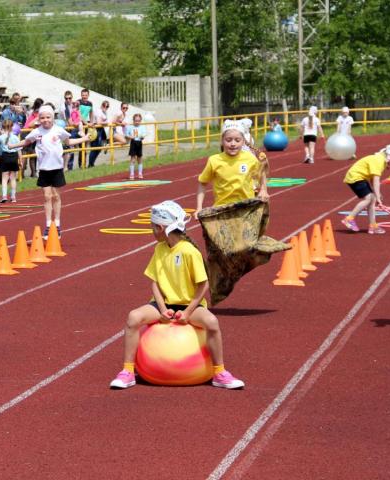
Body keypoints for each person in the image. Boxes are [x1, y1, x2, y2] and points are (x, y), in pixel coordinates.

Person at [109, 200, 245, 390]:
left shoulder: (190, 252)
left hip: (189, 305)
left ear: (161, 227)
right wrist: (163, 310)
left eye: (152, 228)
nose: (151, 231)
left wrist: (188, 313)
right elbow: (154, 282)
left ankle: (219, 372)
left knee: (212, 323)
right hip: (164, 304)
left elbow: (203, 285)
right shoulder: (159, 249)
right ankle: (128, 372)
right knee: (133, 318)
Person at [196, 119, 286, 305]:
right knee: (220, 252)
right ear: (222, 141)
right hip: (222, 211)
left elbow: (261, 172)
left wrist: (263, 189)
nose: (233, 143)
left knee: (244, 246)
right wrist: (199, 207)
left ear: (243, 141)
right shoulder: (214, 161)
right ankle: (220, 286)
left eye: (237, 140)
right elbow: (202, 184)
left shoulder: (249, 159)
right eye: (229, 140)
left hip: (245, 209)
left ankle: (261, 249)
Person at [9, 105, 90, 239]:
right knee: (47, 197)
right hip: (44, 169)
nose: (45, 120)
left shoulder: (59, 130)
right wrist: (12, 145)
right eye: (42, 118)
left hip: (57, 168)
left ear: (53, 118)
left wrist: (84, 139)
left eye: (48, 117)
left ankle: (57, 224)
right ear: (39, 119)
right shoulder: (37, 132)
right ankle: (48, 225)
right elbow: (26, 141)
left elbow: (69, 141)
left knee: (56, 196)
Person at [341, 144, 390, 235]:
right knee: (369, 198)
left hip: (360, 177)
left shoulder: (381, 160)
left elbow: (372, 178)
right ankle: (349, 219)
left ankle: (373, 225)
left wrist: (377, 194)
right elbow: (376, 180)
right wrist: (378, 196)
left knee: (372, 199)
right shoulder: (379, 160)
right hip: (355, 177)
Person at [0, 119, 21, 203]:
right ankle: (13, 197)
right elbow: (19, 150)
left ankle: (4, 196)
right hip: (14, 157)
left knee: (4, 178)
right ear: (12, 127)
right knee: (13, 178)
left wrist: (0, 155)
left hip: (5, 156)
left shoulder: (0, 138)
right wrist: (20, 160)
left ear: (2, 127)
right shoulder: (16, 137)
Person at [21, 98, 44, 178]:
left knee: (33, 154)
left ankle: (33, 174)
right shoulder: (36, 114)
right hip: (27, 134)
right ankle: (21, 174)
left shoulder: (34, 112)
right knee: (25, 155)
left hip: (32, 135)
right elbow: (30, 125)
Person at [88, 100, 110, 168]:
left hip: (101, 130)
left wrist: (105, 122)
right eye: (104, 105)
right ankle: (90, 164)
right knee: (95, 148)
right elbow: (98, 122)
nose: (105, 107)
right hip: (96, 130)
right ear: (101, 105)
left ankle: (92, 163)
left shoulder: (104, 112)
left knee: (99, 148)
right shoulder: (99, 111)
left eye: (107, 106)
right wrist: (106, 122)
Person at [124, 114, 146, 180]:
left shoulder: (142, 127)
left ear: (140, 121)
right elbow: (126, 135)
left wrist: (142, 137)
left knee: (139, 158)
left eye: (138, 121)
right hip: (133, 142)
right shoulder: (130, 127)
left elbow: (144, 135)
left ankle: (140, 173)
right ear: (133, 120)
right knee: (132, 159)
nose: (137, 122)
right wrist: (130, 137)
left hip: (139, 143)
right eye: (136, 121)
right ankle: (132, 174)